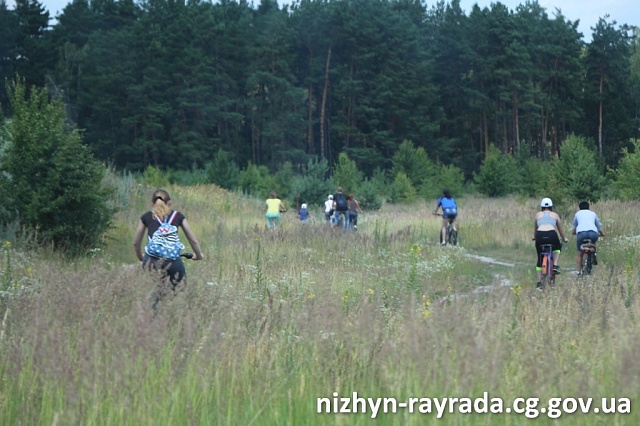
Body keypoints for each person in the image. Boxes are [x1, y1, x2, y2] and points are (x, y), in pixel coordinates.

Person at [133, 189, 204, 310]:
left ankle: (152, 314)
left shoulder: (146, 217)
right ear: (170, 202)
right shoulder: (178, 216)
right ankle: (173, 311)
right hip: (172, 259)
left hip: (151, 259)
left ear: (152, 203)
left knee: (158, 286)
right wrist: (198, 256)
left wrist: (141, 257)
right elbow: (193, 240)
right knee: (180, 287)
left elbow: (136, 242)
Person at [533, 197, 568, 289]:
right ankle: (555, 265)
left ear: (542, 207)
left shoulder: (538, 215)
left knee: (539, 258)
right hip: (552, 235)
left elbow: (535, 229)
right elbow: (560, 230)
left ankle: (539, 283)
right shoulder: (555, 215)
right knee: (557, 247)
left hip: (540, 235)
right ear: (551, 206)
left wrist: (535, 237)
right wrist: (564, 238)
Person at [572, 201, 605, 275]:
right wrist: (602, 234)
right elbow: (598, 226)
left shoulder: (577, 214)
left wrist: (574, 232)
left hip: (581, 234)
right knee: (593, 242)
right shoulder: (593, 213)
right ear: (588, 207)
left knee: (580, 253)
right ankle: (594, 253)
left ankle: (578, 271)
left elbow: (575, 226)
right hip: (593, 233)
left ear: (579, 208)